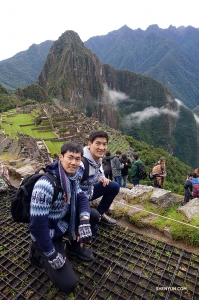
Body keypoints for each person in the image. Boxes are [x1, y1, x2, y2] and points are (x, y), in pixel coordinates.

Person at [29, 141, 100, 293]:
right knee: (68, 284)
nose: (74, 163)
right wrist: (51, 254)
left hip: (60, 224)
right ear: (61, 157)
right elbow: (37, 226)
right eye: (70, 158)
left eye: (77, 159)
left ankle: (73, 247)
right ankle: (37, 251)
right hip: (47, 233)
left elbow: (81, 198)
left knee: (93, 215)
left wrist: (84, 221)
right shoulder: (45, 185)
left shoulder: (71, 177)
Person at [77, 130, 120, 226]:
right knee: (94, 228)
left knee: (114, 186)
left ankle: (100, 213)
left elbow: (100, 173)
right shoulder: (81, 163)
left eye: (104, 144)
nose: (102, 147)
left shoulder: (98, 159)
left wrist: (103, 178)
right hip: (77, 198)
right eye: (98, 144)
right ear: (89, 144)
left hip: (89, 192)